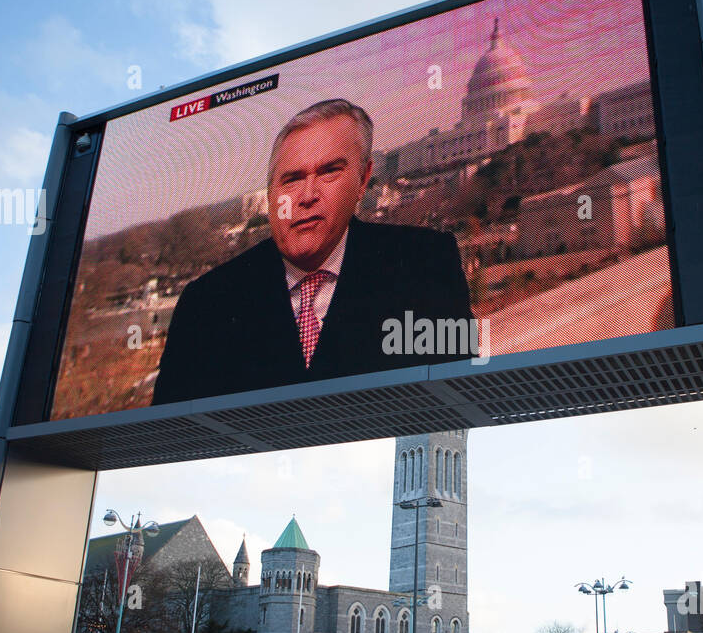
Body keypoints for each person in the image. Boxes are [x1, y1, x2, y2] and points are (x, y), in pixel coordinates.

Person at [153, 99, 476, 406]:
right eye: (291, 180)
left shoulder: (426, 263)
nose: (307, 195)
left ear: (363, 180)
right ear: (270, 194)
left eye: (328, 172)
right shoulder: (205, 304)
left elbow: (459, 403)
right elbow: (167, 442)